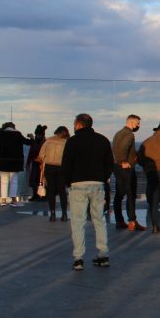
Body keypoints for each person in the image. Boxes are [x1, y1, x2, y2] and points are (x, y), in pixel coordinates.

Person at [60, 114, 114, 271]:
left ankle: (78, 258)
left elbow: (66, 164)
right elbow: (109, 163)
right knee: (99, 220)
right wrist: (103, 177)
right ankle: (103, 254)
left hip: (78, 185)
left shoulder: (72, 141)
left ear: (78, 124)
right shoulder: (102, 140)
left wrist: (69, 182)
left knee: (78, 222)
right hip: (97, 184)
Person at [112, 114, 146, 231]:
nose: (138, 125)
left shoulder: (118, 133)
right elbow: (123, 147)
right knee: (131, 195)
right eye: (138, 123)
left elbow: (117, 148)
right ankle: (132, 221)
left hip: (116, 167)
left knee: (119, 195)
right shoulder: (129, 134)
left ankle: (119, 221)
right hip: (126, 168)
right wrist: (124, 161)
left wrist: (132, 155)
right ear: (131, 122)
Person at [0, 122, 32, 207]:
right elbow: (28, 143)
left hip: (2, 161)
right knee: (14, 180)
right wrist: (32, 138)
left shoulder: (1, 133)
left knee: (4, 181)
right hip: (15, 162)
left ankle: (3, 200)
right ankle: (13, 199)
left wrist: (1, 129)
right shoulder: (17, 134)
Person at [37, 126, 70, 222]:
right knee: (62, 191)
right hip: (61, 167)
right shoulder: (66, 142)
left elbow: (41, 155)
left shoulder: (48, 141)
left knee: (51, 190)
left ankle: (52, 214)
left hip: (49, 167)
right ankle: (64, 214)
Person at [25, 124, 47, 201]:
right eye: (36, 134)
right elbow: (31, 152)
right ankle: (36, 195)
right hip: (35, 163)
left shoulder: (44, 142)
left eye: (38, 135)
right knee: (34, 180)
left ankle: (43, 196)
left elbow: (38, 150)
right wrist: (28, 162)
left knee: (41, 180)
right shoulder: (38, 142)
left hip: (42, 164)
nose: (37, 136)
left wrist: (32, 139)